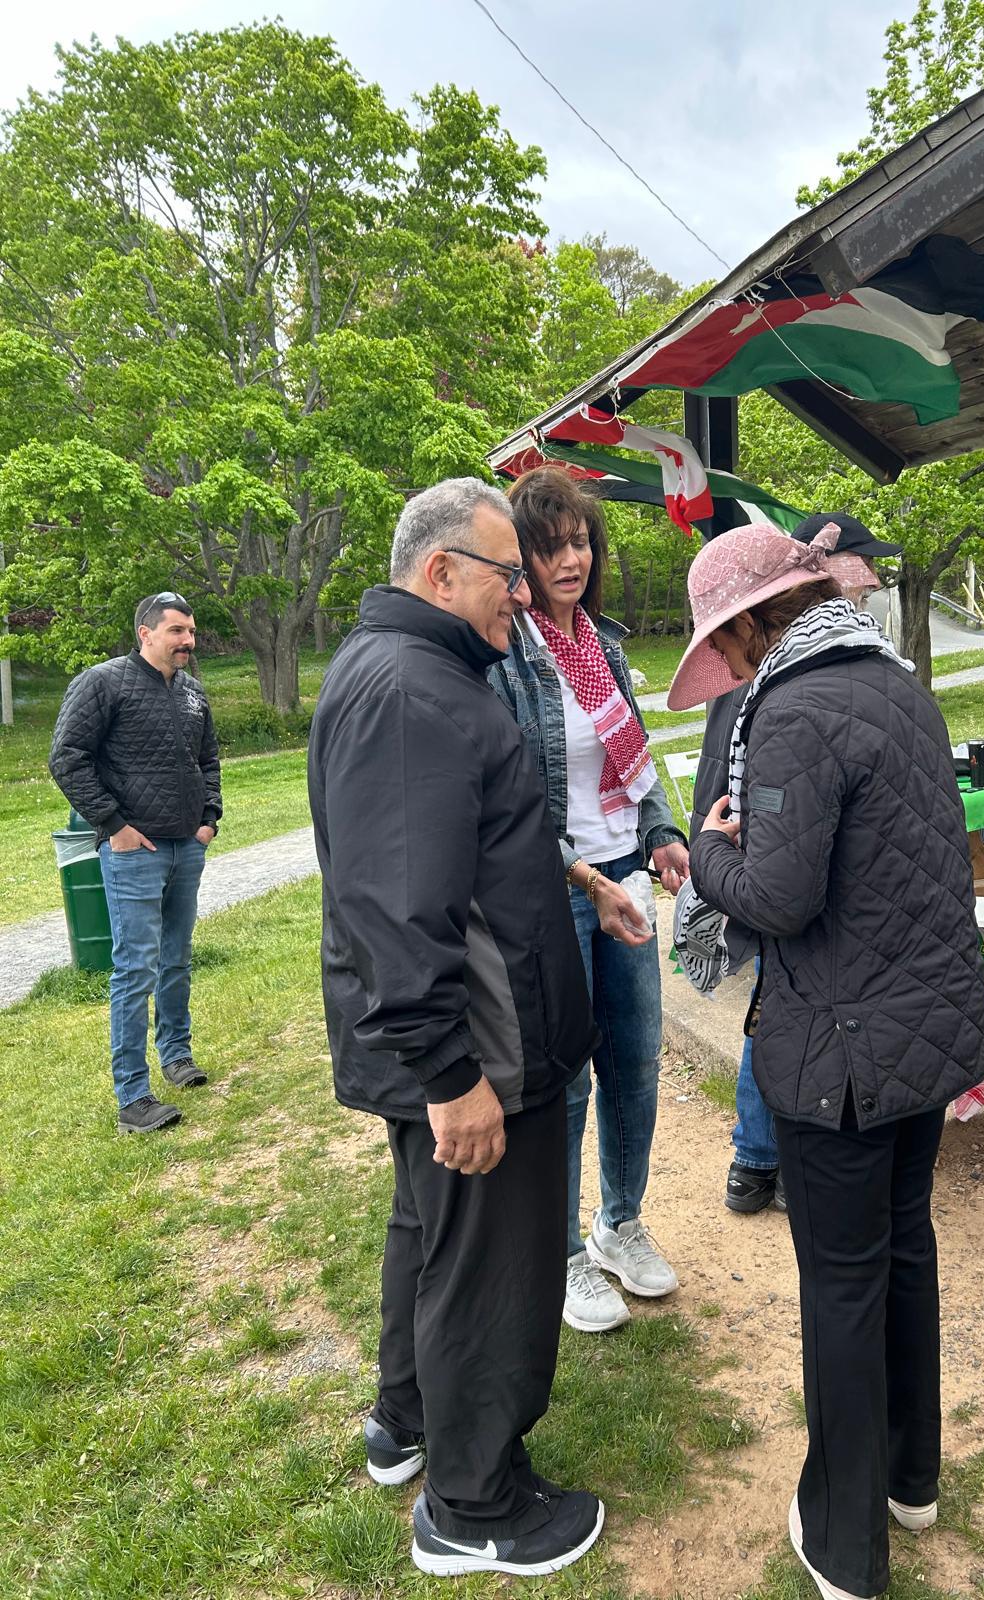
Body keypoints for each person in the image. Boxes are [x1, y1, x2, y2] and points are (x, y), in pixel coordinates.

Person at [671, 524, 984, 1600]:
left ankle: (845, 1540)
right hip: (919, 1038)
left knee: (843, 1286)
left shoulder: (797, 711)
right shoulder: (898, 686)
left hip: (839, 1054)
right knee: (906, 1251)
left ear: (760, 620)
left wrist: (705, 845)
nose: (733, 663)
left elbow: (777, 895)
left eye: (731, 639)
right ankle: (911, 1478)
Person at [307, 478, 605, 1580]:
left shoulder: (424, 673)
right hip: (478, 1049)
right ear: (441, 572)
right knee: (489, 1268)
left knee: (429, 1237)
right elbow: (397, 902)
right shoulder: (411, 691)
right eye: (507, 577)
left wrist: (575, 874)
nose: (523, 599)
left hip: (470, 1038)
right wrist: (451, 1073)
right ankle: (474, 1504)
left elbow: (459, 845)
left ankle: (408, 1421)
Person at [489, 467, 689, 1335]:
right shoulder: (509, 654)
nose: (569, 559)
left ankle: (620, 1222)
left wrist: (663, 834)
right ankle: (565, 1249)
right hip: (559, 886)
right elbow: (513, 798)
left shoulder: (602, 645)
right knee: (566, 1072)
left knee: (636, 1059)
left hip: (626, 876)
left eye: (580, 542)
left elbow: (636, 761)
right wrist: (588, 873)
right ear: (521, 559)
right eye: (549, 545)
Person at [687, 513, 901, 1215]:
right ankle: (754, 1156)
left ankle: (754, 1159)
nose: (861, 591)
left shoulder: (807, 676)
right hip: (765, 859)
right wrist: (711, 852)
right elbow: (780, 883)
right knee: (771, 1007)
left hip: (850, 996)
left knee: (773, 1006)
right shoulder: (811, 686)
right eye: (854, 579)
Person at [49, 592, 221, 1134]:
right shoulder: (103, 683)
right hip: (134, 852)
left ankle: (176, 1054)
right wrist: (113, 825)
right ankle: (133, 1097)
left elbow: (209, 759)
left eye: (190, 632)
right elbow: (66, 757)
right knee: (136, 968)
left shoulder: (192, 692)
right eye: (176, 631)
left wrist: (208, 818)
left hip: (185, 846)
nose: (187, 642)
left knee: (176, 958)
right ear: (145, 633)